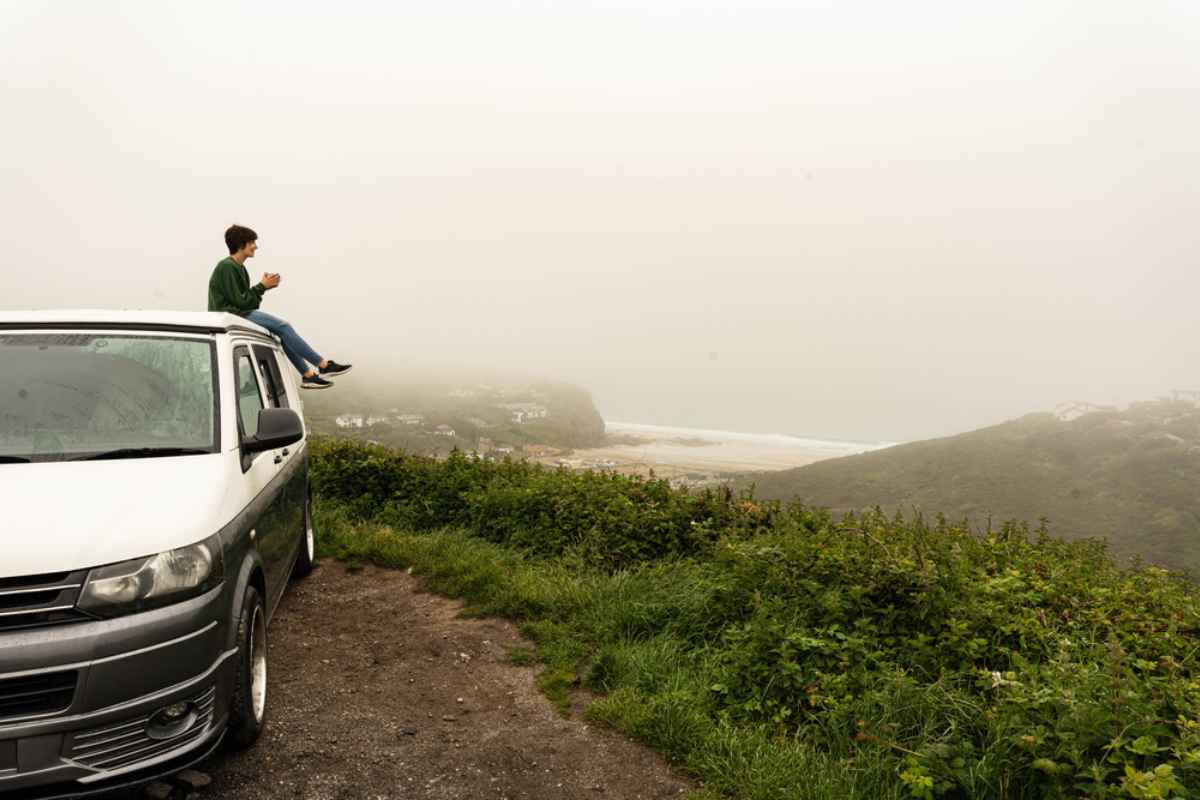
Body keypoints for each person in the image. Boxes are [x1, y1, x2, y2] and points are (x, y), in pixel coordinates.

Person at [208, 224, 352, 389]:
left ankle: (308, 375)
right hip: (233, 314)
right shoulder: (227, 267)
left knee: (282, 334)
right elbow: (242, 302)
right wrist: (262, 286)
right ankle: (323, 366)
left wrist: (262, 288)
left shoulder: (239, 268)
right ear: (241, 244)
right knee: (283, 326)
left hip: (240, 312)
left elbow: (249, 301)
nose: (256, 246)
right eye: (252, 242)